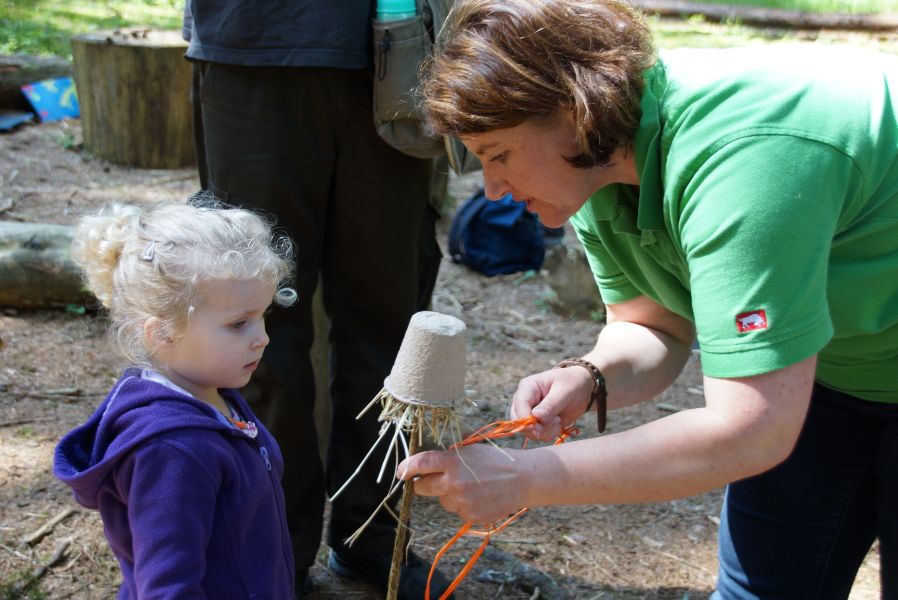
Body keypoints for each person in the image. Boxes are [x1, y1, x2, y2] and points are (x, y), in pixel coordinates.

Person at [397, 0, 898, 598]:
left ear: (573, 111)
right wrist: (590, 376)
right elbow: (653, 326)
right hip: (829, 375)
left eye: (499, 155)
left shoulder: (743, 165)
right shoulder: (597, 165)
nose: (495, 189)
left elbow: (751, 430)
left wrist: (524, 477)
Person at [181, 2, 451, 598]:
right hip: (250, 46)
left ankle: (372, 537)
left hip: (396, 48)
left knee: (389, 330)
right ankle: (271, 548)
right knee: (250, 328)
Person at [53, 201, 297, 599]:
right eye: (239, 323)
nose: (263, 337)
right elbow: (168, 587)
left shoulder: (214, 393)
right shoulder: (172, 452)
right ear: (163, 333)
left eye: (262, 315)